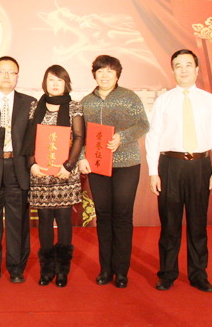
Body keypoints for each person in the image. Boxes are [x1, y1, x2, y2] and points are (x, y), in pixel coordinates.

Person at [146, 49, 212, 293]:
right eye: (178, 66)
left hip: (200, 166)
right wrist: (153, 172)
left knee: (198, 224)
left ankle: (198, 274)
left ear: (197, 69)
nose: (183, 70)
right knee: (169, 224)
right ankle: (167, 274)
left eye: (188, 65)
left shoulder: (209, 100)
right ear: (173, 70)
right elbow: (153, 137)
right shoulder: (163, 101)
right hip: (170, 166)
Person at [78, 55, 149, 289]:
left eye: (110, 71)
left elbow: (143, 124)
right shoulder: (86, 102)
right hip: (98, 165)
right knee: (103, 215)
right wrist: (81, 157)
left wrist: (122, 137)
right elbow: (79, 134)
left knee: (122, 216)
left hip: (126, 164)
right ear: (94, 74)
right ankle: (105, 269)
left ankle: (121, 271)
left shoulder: (129, 97)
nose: (105, 75)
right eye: (100, 71)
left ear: (117, 74)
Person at [27, 65, 84, 287]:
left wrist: (68, 166)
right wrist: (31, 163)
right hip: (40, 173)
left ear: (66, 83)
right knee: (44, 221)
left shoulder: (74, 106)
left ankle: (62, 271)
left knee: (63, 220)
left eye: (59, 80)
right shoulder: (35, 106)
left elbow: (79, 137)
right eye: (51, 79)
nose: (55, 84)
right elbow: (29, 136)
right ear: (45, 82)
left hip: (64, 173)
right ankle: (46, 269)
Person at [0, 56, 33, 284]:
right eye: (2, 71)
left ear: (18, 76)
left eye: (12, 72)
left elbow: (35, 139)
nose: (7, 76)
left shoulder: (30, 103)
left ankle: (16, 268)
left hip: (18, 168)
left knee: (17, 222)